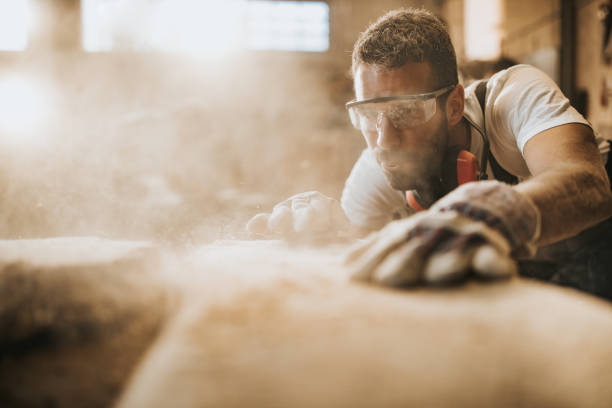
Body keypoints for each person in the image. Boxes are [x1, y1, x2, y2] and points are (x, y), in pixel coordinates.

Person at [247, 8, 612, 298]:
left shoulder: (512, 97)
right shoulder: (375, 170)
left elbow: (588, 184)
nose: (384, 139)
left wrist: (492, 213)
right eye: (369, 115)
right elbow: (363, 261)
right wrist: (326, 234)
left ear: (454, 105)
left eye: (406, 111)